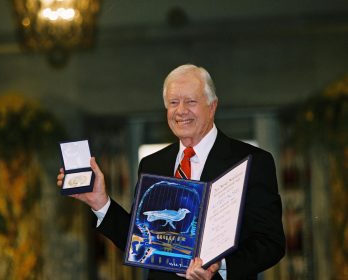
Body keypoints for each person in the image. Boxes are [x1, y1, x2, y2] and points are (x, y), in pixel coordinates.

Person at [57, 64, 285, 279]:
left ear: (212, 106)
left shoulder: (252, 161)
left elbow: (270, 242)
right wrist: (101, 203)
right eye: (173, 102)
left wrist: (220, 266)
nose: (181, 111)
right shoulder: (152, 164)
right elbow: (143, 240)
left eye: (191, 101)